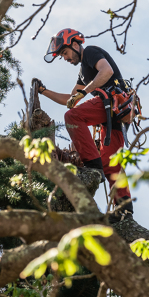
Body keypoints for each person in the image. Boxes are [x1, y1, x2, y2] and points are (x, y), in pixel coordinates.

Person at [37, 28, 133, 219]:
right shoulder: (83, 74)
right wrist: (43, 91)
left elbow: (107, 71)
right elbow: (70, 100)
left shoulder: (90, 52)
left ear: (74, 44)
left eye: (64, 53)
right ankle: (125, 211)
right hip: (111, 116)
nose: (65, 58)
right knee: (111, 165)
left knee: (72, 117)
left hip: (113, 103)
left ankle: (92, 165)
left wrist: (84, 92)